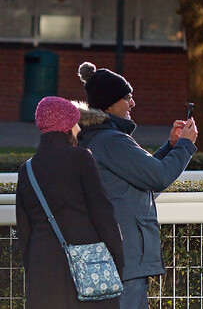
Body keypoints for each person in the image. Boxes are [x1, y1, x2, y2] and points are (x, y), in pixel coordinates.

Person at [75, 62, 198, 309]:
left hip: (113, 257)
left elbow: (144, 176)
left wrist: (171, 147)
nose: (133, 103)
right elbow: (159, 177)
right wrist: (185, 145)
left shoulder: (99, 137)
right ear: (109, 103)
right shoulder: (112, 141)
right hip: (125, 259)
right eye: (127, 98)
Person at [16, 96, 126, 308]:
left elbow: (24, 231)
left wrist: (33, 272)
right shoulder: (81, 158)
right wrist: (117, 259)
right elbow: (102, 212)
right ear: (66, 126)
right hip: (86, 266)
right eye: (75, 122)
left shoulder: (26, 170)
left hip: (43, 268)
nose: (78, 129)